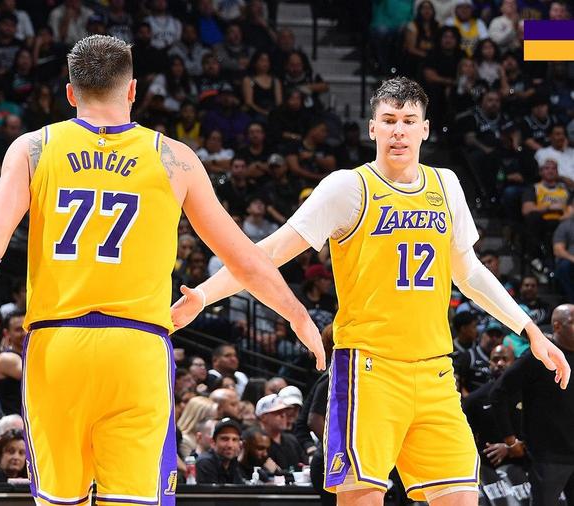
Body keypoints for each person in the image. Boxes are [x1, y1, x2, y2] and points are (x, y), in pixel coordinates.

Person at [0, 34, 324, 506]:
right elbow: (245, 259)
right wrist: (297, 315)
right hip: (137, 350)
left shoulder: (34, 147)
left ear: (70, 93)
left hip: (57, 350)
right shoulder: (174, 158)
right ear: (132, 90)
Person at [172, 76, 570, 504]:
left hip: (435, 372)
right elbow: (268, 252)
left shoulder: (446, 184)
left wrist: (529, 328)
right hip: (368, 372)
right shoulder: (348, 187)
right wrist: (205, 296)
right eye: (389, 120)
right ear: (372, 128)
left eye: (409, 120)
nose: (399, 130)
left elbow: (468, 271)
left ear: (425, 129)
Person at [491, 304, 574, 505]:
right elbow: (498, 393)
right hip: (548, 456)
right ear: (557, 326)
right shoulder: (537, 356)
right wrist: (510, 440)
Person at [196, 417, 244, 484]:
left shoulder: (233, 463)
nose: (230, 445)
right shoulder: (205, 463)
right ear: (213, 442)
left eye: (234, 439)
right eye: (225, 439)